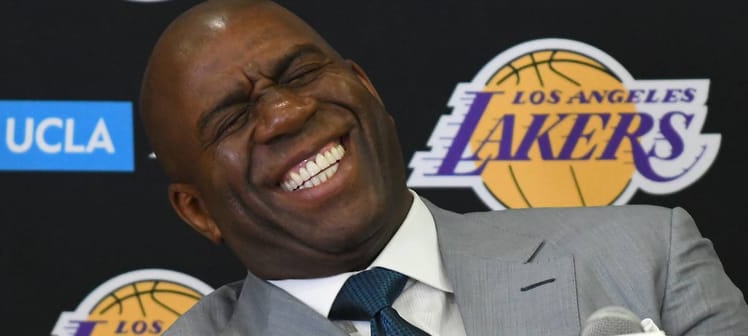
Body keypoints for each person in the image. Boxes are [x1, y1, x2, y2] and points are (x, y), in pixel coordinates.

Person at [138, 0, 748, 335]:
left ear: (366, 89)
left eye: (299, 74)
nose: (286, 113)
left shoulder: (647, 257)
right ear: (197, 211)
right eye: (234, 118)